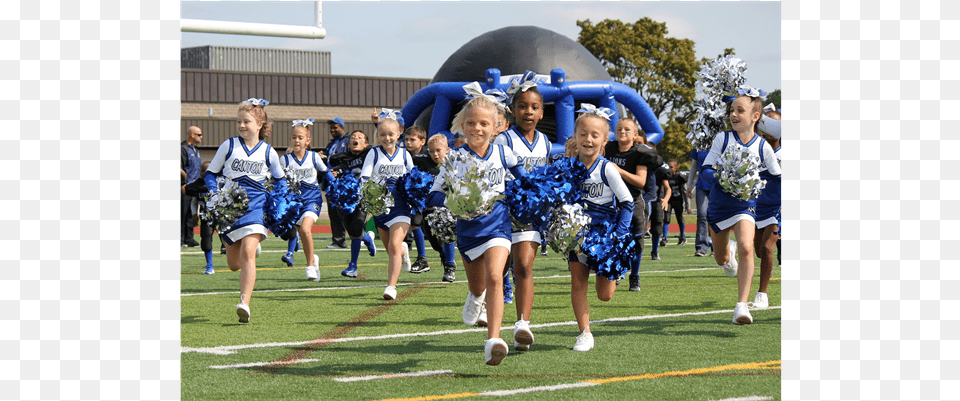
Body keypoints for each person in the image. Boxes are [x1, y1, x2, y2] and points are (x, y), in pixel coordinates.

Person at [426, 94, 526, 366]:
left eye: (484, 123)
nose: (477, 128)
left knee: (496, 277)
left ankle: (493, 340)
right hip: (468, 231)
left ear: (496, 127)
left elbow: (527, 182)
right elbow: (434, 195)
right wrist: (455, 200)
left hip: (499, 226)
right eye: (471, 123)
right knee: (479, 284)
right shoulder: (455, 158)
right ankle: (475, 295)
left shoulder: (504, 153)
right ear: (463, 125)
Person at [203, 98, 286, 323]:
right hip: (230, 209)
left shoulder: (269, 152)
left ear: (259, 124)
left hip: (256, 207)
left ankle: (244, 302)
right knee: (233, 264)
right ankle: (250, 249)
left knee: (248, 251)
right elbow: (210, 174)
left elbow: (281, 181)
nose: (241, 125)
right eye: (238, 121)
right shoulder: (228, 146)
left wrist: (280, 203)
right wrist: (215, 194)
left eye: (246, 121)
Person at [701, 93, 781, 325]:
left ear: (756, 117)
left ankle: (741, 307)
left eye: (739, 111)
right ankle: (728, 257)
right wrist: (724, 176)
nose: (733, 115)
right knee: (721, 258)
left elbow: (777, 175)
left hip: (745, 206)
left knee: (747, 245)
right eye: (732, 111)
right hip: (719, 206)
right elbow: (706, 170)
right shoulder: (723, 139)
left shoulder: (763, 146)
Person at [566, 106, 635, 352]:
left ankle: (614, 274)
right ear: (575, 136)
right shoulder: (568, 168)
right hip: (578, 233)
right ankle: (584, 333)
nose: (588, 139)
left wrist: (619, 235)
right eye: (583, 134)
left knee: (604, 295)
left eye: (595, 135)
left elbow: (628, 202)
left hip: (605, 235)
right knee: (577, 283)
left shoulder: (607, 168)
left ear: (605, 140)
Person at [494, 76, 551, 350]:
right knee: (499, 269)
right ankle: (485, 305)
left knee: (524, 266)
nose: (528, 112)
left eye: (534, 107)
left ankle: (522, 325)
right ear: (513, 110)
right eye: (523, 106)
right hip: (503, 211)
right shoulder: (503, 139)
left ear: (542, 112)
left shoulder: (546, 143)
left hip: (530, 213)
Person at [360, 114, 415, 300]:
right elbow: (365, 176)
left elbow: (414, 179)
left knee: (393, 244)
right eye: (383, 135)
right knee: (392, 249)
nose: (387, 138)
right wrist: (366, 191)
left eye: (391, 134)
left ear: (399, 134)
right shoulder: (373, 153)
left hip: (401, 207)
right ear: (377, 136)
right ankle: (404, 251)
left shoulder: (405, 154)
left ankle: (391, 287)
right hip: (380, 208)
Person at [280, 119, 338, 281]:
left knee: (305, 230)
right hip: (294, 204)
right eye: (294, 137)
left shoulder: (313, 157)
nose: (297, 140)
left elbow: (326, 173)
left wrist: (338, 187)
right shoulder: (285, 160)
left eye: (300, 137)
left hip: (312, 200)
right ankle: (313, 259)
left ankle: (309, 266)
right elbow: (278, 181)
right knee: (302, 234)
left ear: (308, 140)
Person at [604, 118, 648, 292]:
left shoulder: (640, 153)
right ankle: (616, 271)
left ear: (635, 134)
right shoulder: (608, 148)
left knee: (637, 241)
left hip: (633, 201)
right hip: (612, 201)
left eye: (627, 130)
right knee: (613, 239)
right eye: (619, 129)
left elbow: (640, 181)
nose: (622, 132)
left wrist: (619, 170)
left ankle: (634, 276)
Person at [329, 130, 378, 278]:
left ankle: (353, 266)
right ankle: (367, 238)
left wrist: (376, 124)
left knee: (356, 226)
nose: (355, 139)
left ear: (366, 143)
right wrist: (335, 173)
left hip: (363, 196)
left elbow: (378, 145)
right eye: (353, 138)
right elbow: (337, 167)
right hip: (348, 198)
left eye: (360, 138)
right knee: (352, 230)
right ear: (348, 143)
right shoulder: (343, 158)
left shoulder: (369, 154)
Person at [416, 134, 459, 282]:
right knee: (434, 242)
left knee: (448, 229)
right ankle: (444, 256)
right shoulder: (422, 161)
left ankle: (450, 266)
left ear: (447, 149)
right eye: (432, 151)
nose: (435, 154)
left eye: (438, 150)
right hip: (431, 206)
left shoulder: (456, 161)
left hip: (453, 207)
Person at [751, 112, 781, 308]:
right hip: (756, 207)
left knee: (766, 248)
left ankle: (762, 294)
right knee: (759, 253)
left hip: (778, 208)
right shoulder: (755, 150)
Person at [402, 125, 431, 274]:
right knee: (415, 223)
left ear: (422, 141)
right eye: (406, 139)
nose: (408, 143)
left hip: (430, 197)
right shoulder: (402, 154)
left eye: (412, 140)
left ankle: (448, 263)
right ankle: (422, 258)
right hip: (413, 197)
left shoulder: (429, 155)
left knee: (436, 234)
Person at [183, 161, 216, 274]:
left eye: (206, 170)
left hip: (220, 215)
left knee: (229, 237)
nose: (204, 173)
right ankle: (210, 265)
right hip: (206, 214)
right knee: (206, 239)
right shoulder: (197, 185)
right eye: (202, 170)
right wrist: (194, 214)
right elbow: (194, 201)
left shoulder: (218, 182)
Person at [324, 117, 350, 249]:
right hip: (330, 182)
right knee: (333, 211)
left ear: (342, 127)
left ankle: (360, 235)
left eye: (336, 127)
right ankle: (338, 240)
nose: (333, 130)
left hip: (343, 181)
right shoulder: (332, 143)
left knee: (345, 211)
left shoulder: (348, 141)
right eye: (331, 128)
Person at [687, 147, 713, 257]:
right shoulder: (698, 145)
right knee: (702, 215)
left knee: (715, 216)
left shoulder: (722, 142)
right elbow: (693, 167)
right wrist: (689, 185)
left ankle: (716, 247)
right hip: (701, 186)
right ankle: (701, 247)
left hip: (717, 186)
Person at [181, 126, 203, 247]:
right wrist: (183, 183)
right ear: (192, 135)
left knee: (191, 213)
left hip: (194, 187)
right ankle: (180, 239)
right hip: (185, 187)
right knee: (182, 213)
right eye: (199, 135)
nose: (201, 137)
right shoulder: (183, 149)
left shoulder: (196, 150)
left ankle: (189, 238)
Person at [661, 159, 689, 246]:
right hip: (668, 200)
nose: (669, 168)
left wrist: (688, 205)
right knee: (666, 218)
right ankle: (664, 237)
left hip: (678, 199)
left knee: (680, 218)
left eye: (671, 167)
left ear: (676, 168)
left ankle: (682, 236)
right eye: (668, 166)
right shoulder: (666, 176)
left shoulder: (679, 177)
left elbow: (684, 191)